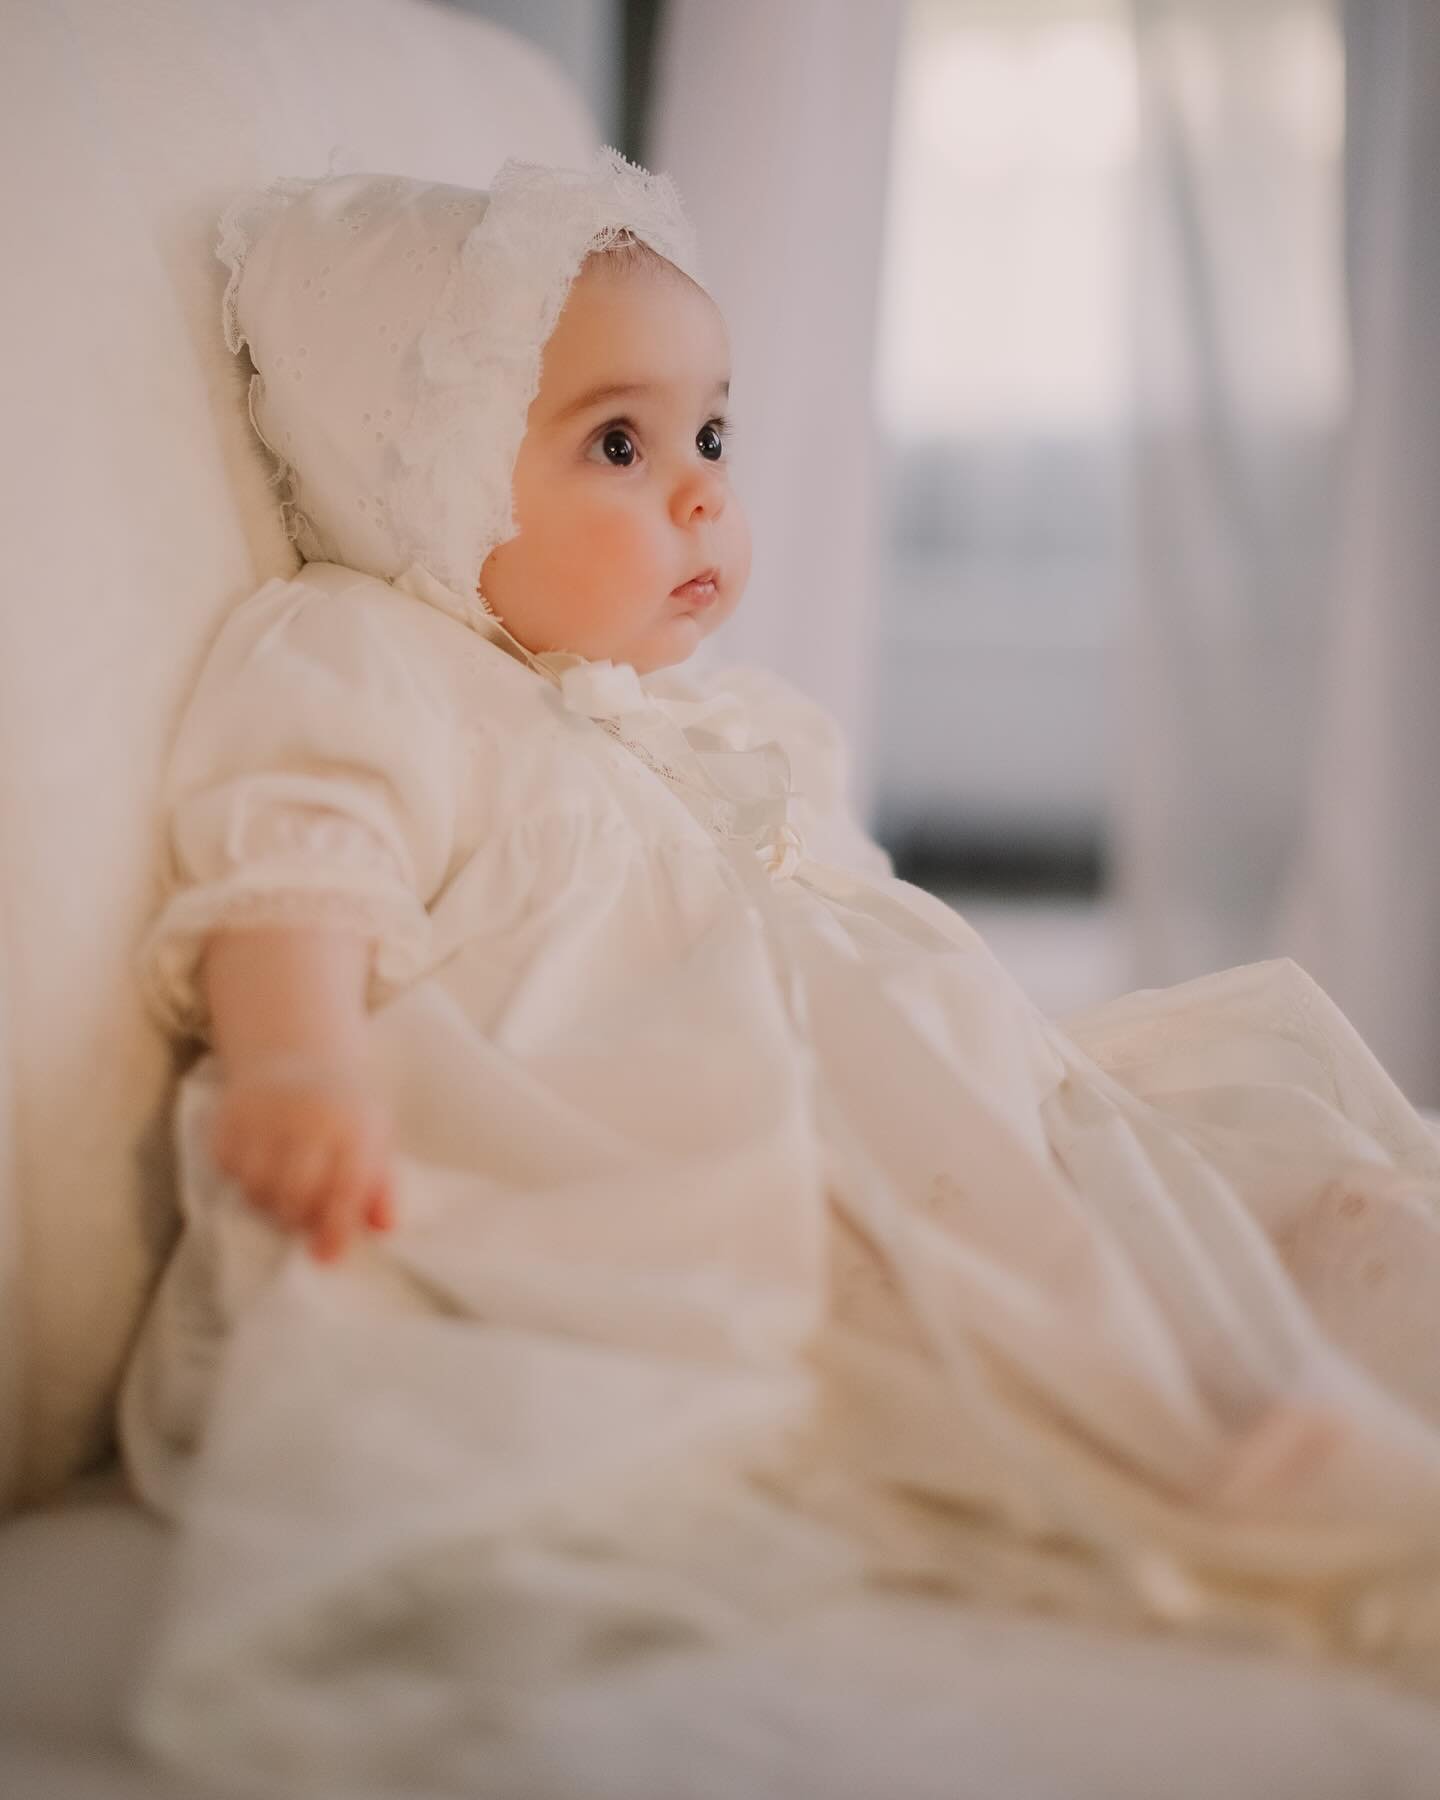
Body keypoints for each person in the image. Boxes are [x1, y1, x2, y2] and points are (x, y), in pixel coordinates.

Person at [120, 149, 1440, 1795]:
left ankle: (1247, 1345)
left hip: (895, 1095)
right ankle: (1209, 1442)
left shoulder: (720, 719)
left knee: (1158, 1168)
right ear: (430, 477)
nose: (698, 494)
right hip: (664, 1151)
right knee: (938, 1305)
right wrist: (298, 1062)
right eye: (620, 442)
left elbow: (862, 916)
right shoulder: (374, 660)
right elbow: (302, 862)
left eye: (712, 435)